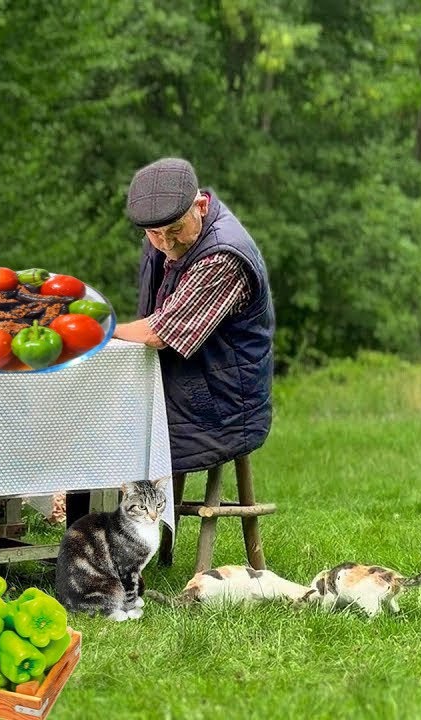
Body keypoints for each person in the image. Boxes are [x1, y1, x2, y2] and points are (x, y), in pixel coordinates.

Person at [65, 157, 275, 527]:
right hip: (181, 384)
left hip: (219, 405)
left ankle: (113, 554)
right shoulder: (164, 234)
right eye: (154, 235)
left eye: (175, 230)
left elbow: (160, 332)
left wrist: (98, 327)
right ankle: (84, 548)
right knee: (85, 417)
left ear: (201, 205)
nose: (165, 243)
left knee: (106, 434)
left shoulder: (222, 256)